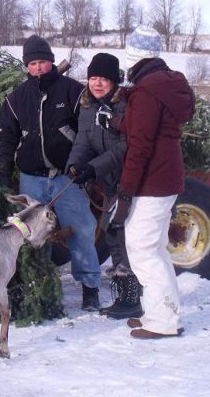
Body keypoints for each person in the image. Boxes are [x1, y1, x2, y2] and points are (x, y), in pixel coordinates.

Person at [0, 35, 101, 311]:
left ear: (51, 61)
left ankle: (90, 286)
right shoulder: (16, 99)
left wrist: (83, 165)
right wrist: (4, 175)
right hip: (32, 179)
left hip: (67, 178)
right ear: (27, 67)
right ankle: (41, 288)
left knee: (82, 229)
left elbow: (89, 133)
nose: (38, 68)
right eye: (32, 64)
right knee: (32, 237)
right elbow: (6, 140)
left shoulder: (73, 91)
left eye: (42, 62)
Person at [109, 26, 195, 339]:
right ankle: (160, 312)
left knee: (142, 249)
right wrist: (122, 120)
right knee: (155, 249)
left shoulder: (146, 91)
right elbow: (155, 126)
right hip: (166, 176)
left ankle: (163, 322)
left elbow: (141, 146)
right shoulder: (164, 84)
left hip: (152, 180)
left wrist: (126, 190)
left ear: (137, 54)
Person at [66, 52, 143, 320]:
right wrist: (75, 165)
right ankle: (126, 296)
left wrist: (94, 167)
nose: (97, 84)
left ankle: (133, 297)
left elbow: (125, 147)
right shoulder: (88, 105)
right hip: (109, 182)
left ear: (114, 81)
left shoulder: (125, 106)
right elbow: (83, 141)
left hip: (130, 180)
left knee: (124, 234)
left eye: (104, 79)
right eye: (93, 78)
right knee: (112, 233)